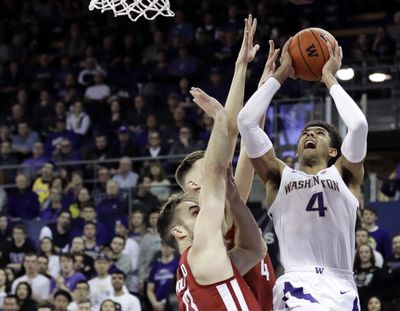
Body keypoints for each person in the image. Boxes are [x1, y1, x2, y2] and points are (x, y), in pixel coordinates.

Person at [237, 37, 368, 310]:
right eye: (305, 133)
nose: (309, 134)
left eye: (319, 133)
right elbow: (246, 121)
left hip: (342, 287)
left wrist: (328, 78)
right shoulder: (278, 177)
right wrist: (281, 73)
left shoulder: (344, 175)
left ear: (333, 151)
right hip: (297, 283)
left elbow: (358, 125)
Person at [173, 16, 276, 310]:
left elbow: (246, 142)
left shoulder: (229, 206)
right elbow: (229, 134)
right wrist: (241, 68)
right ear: (195, 184)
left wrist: (260, 89)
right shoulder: (215, 225)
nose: (220, 161)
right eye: (211, 163)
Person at [157, 85, 266, 310]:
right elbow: (217, 169)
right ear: (179, 231)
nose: (204, 213)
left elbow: (254, 250)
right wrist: (218, 118)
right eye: (195, 212)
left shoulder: (199, 269)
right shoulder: (201, 253)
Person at [146, 242, 179, 311]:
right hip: (157, 304)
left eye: (168, 246)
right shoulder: (155, 266)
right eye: (163, 246)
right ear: (161, 247)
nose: (165, 249)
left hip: (174, 304)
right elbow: (149, 290)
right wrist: (155, 303)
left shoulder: (178, 264)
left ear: (173, 248)